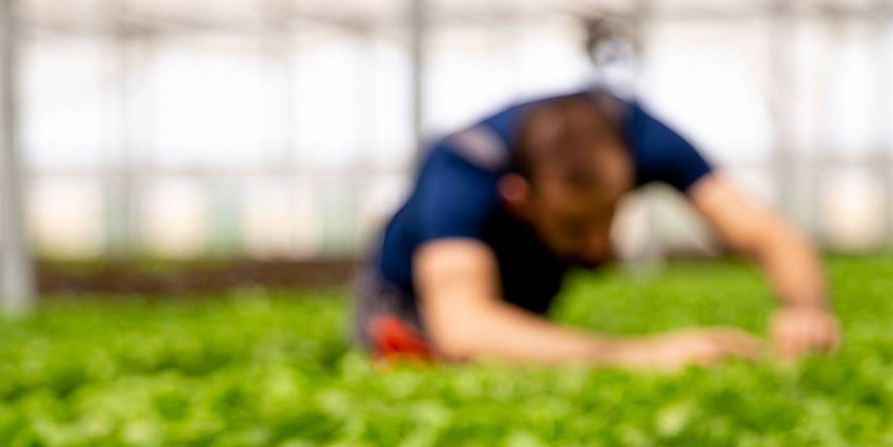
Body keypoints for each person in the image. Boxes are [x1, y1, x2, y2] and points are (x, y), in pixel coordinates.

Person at [353, 88, 841, 369]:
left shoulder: (640, 137)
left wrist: (805, 311)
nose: (595, 244)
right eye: (574, 224)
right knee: (442, 362)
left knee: (526, 352)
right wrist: (637, 354)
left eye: (608, 217)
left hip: (523, 279)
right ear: (518, 197)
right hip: (414, 300)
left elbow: (770, 233)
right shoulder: (463, 168)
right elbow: (463, 326)